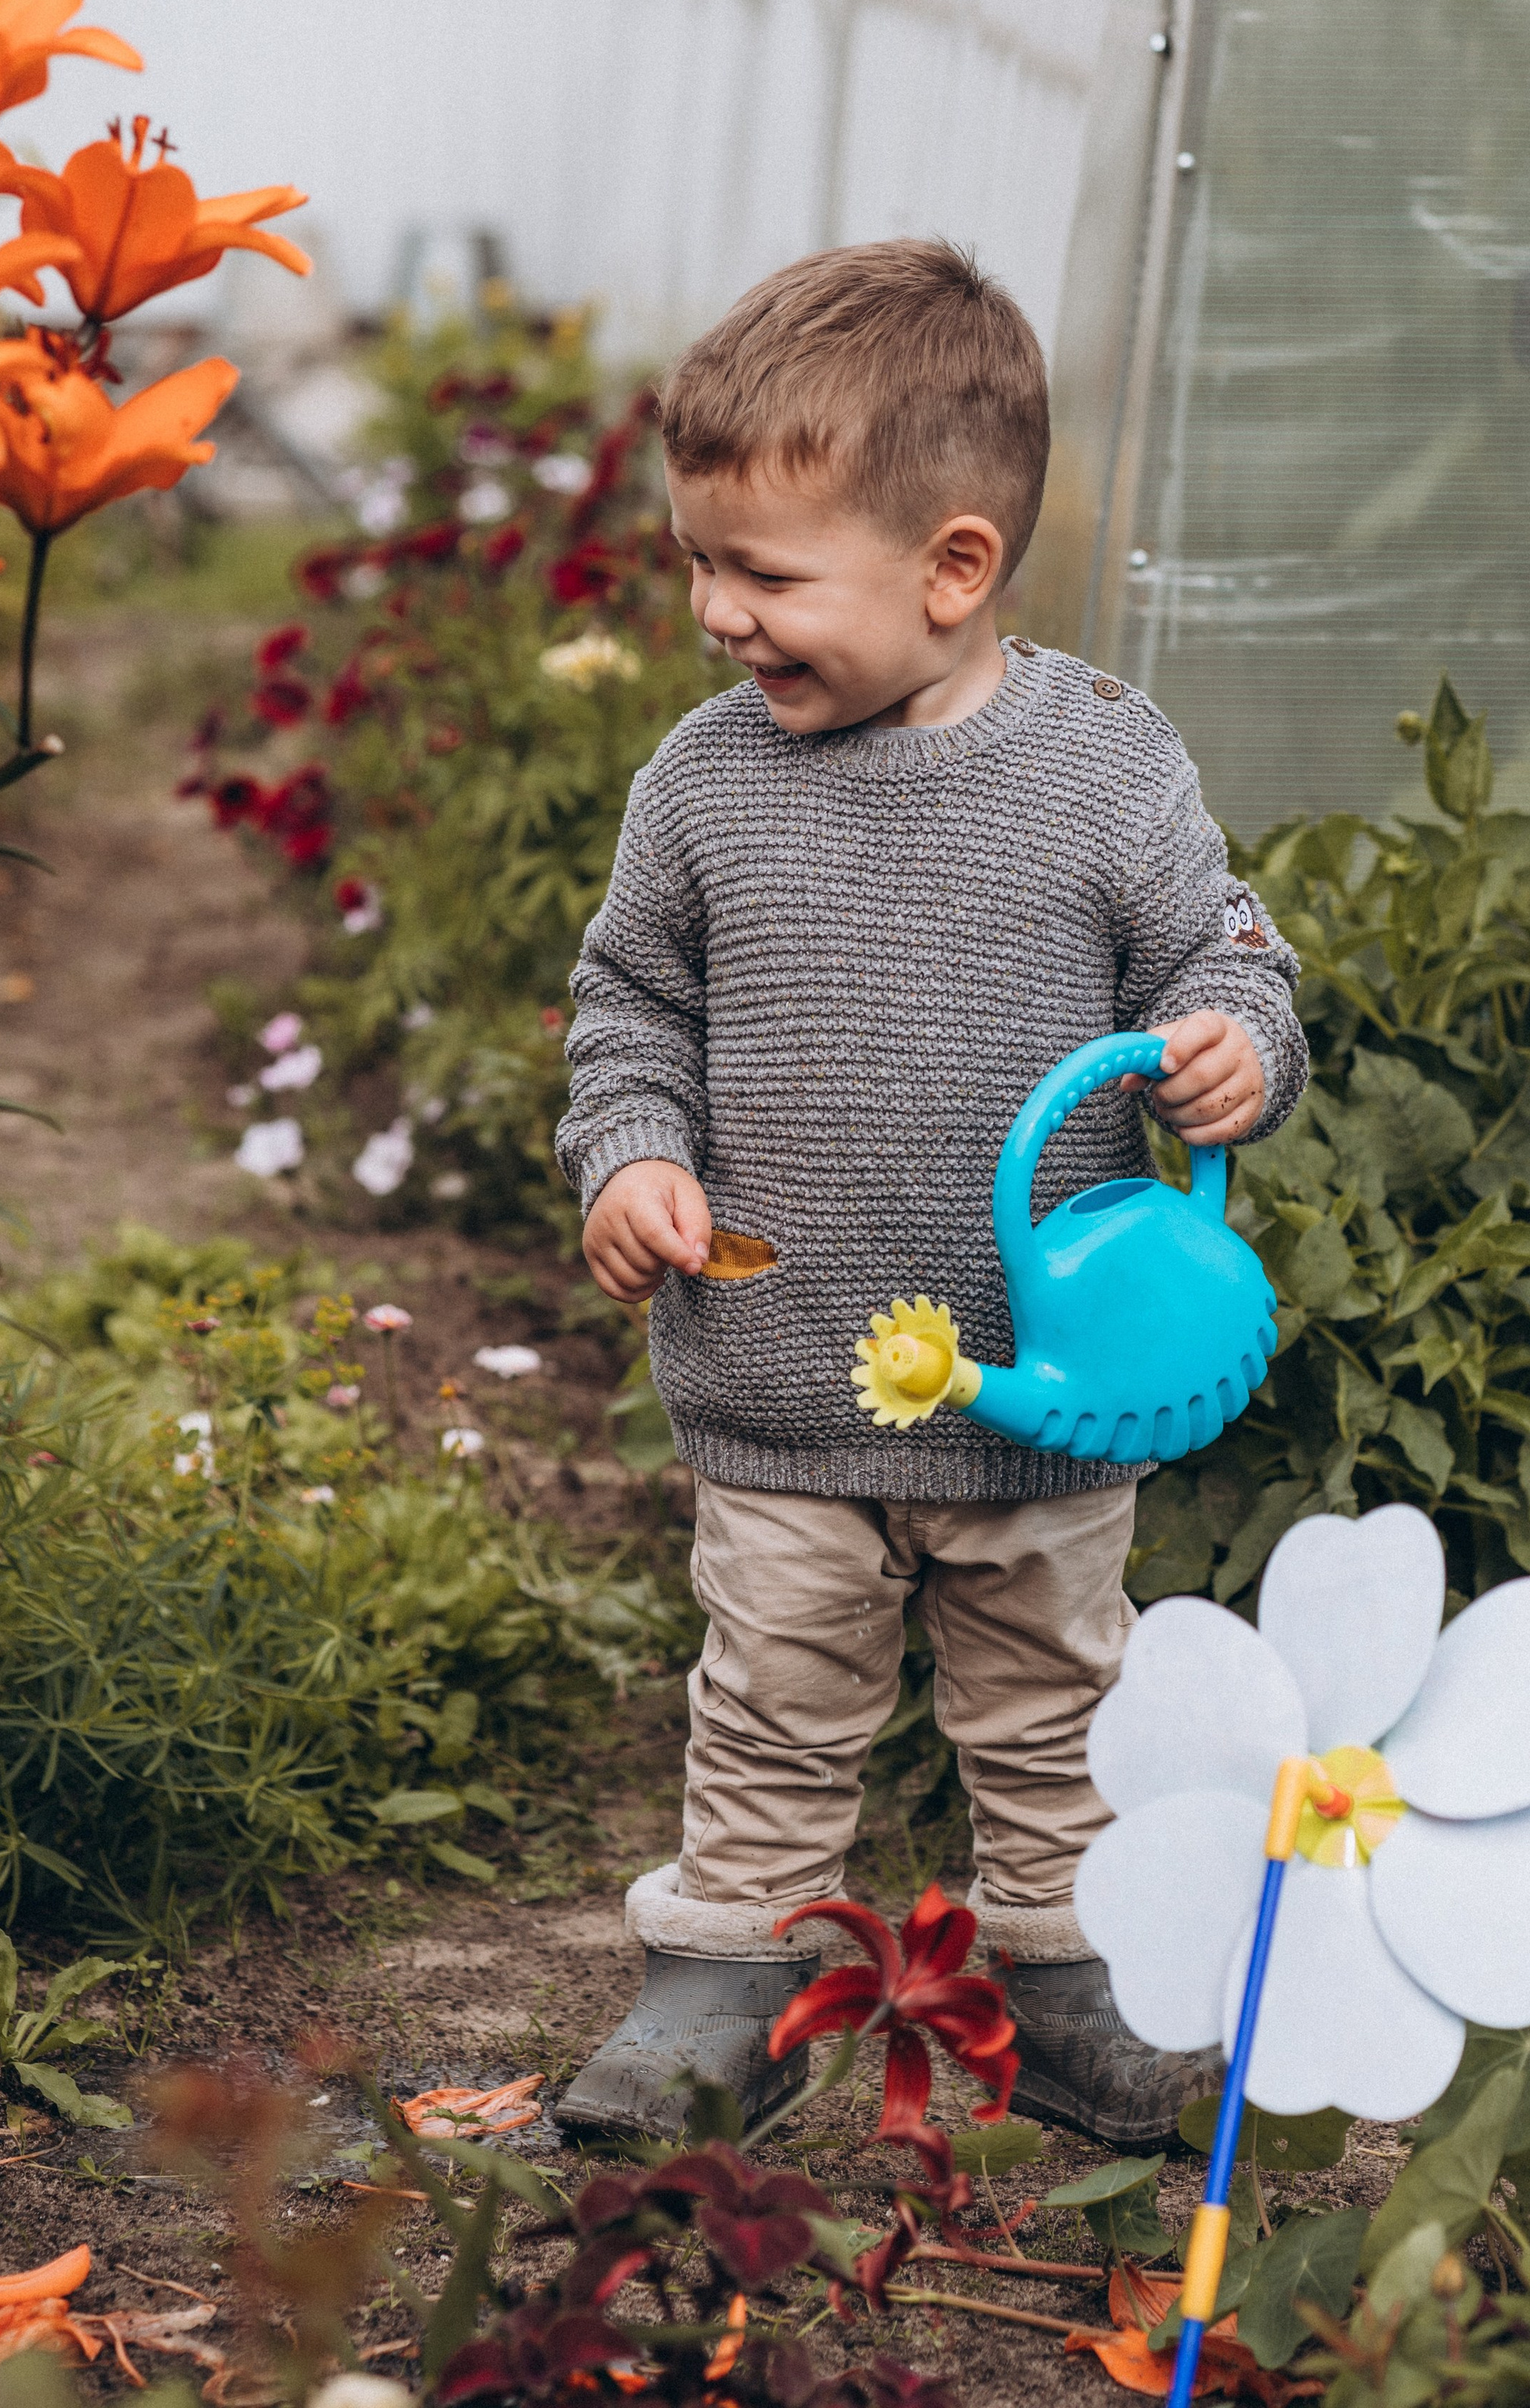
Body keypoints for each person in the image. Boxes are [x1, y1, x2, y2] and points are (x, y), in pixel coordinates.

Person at [555, 240, 1307, 2148]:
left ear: (951, 567)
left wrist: (1229, 1041)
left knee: (1056, 1705)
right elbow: (632, 1002)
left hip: (1048, 1389)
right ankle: (727, 1975)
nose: (718, 615)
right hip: (790, 1370)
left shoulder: (1099, 768)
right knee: (773, 1703)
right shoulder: (703, 789)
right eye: (698, 567)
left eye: (767, 577)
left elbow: (1223, 960)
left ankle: (1064, 1977)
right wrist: (632, 1150)